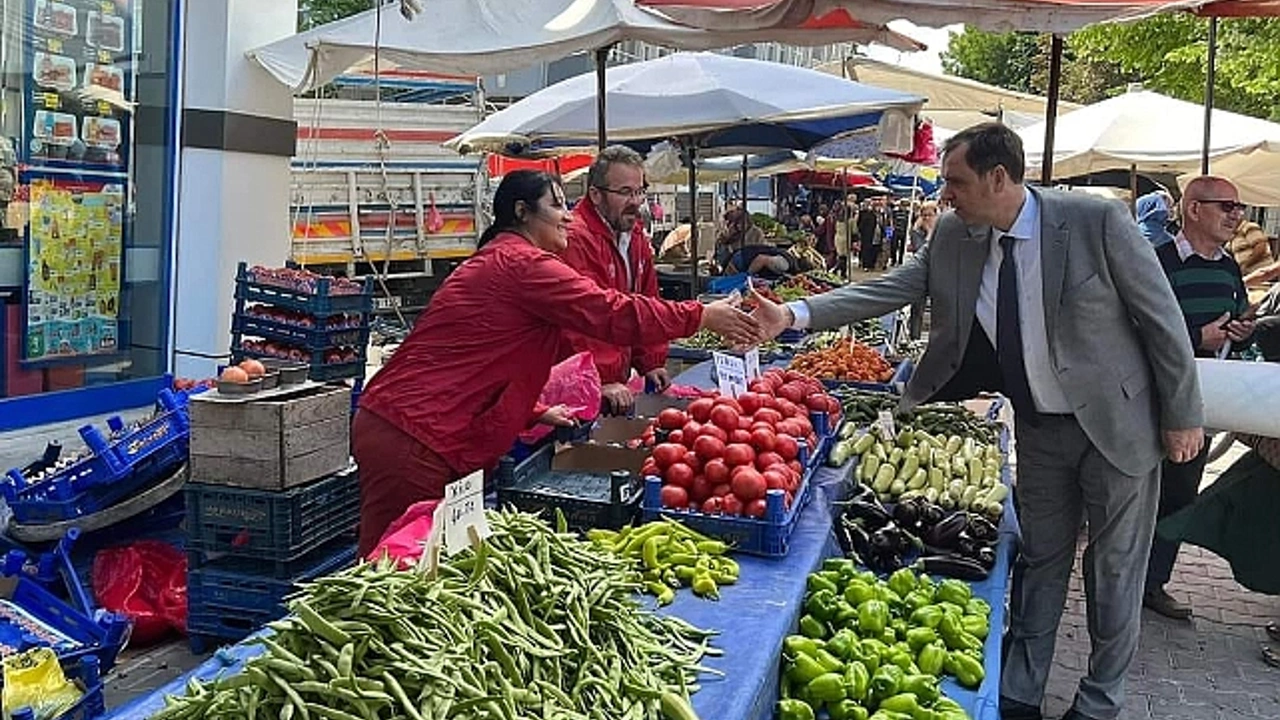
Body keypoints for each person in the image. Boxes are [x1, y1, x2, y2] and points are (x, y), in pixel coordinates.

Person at [748, 123, 1203, 720]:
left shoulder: (1096, 223)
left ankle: (1099, 700)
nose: (946, 194)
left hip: (1117, 426)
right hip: (1038, 429)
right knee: (1040, 559)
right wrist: (794, 312)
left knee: (1114, 570)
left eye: (956, 182)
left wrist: (1181, 414)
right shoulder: (955, 238)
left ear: (997, 177)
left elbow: (1162, 318)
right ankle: (1021, 691)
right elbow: (891, 287)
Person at [352, 170, 761, 555]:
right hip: (415, 434)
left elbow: (475, 360)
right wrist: (699, 316)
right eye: (558, 206)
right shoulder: (522, 264)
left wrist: (535, 410)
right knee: (396, 565)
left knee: (430, 556)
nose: (569, 216)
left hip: (423, 425)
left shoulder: (508, 262)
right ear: (522, 212)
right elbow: (610, 311)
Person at [1142, 177, 1255, 620]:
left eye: (1239, 207)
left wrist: (1241, 332)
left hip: (1199, 404)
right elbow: (1133, 330)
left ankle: (1153, 583)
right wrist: (1195, 337)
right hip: (1150, 399)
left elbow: (1240, 313)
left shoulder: (1229, 268)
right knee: (1136, 491)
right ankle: (1118, 579)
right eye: (1226, 206)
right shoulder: (1158, 262)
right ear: (1192, 209)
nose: (1237, 216)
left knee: (1180, 494)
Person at [560, 146, 669, 415]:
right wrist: (601, 378)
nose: (636, 201)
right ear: (595, 195)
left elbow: (646, 301)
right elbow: (580, 317)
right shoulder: (575, 239)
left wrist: (650, 360)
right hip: (575, 391)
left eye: (639, 191)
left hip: (615, 385)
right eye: (625, 192)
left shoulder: (634, 234)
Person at [856, 199, 882, 271]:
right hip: (867, 235)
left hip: (877, 234)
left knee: (875, 249)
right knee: (866, 249)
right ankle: (866, 265)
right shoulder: (866, 214)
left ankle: (871, 264)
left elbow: (884, 224)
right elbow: (860, 224)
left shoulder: (881, 215)